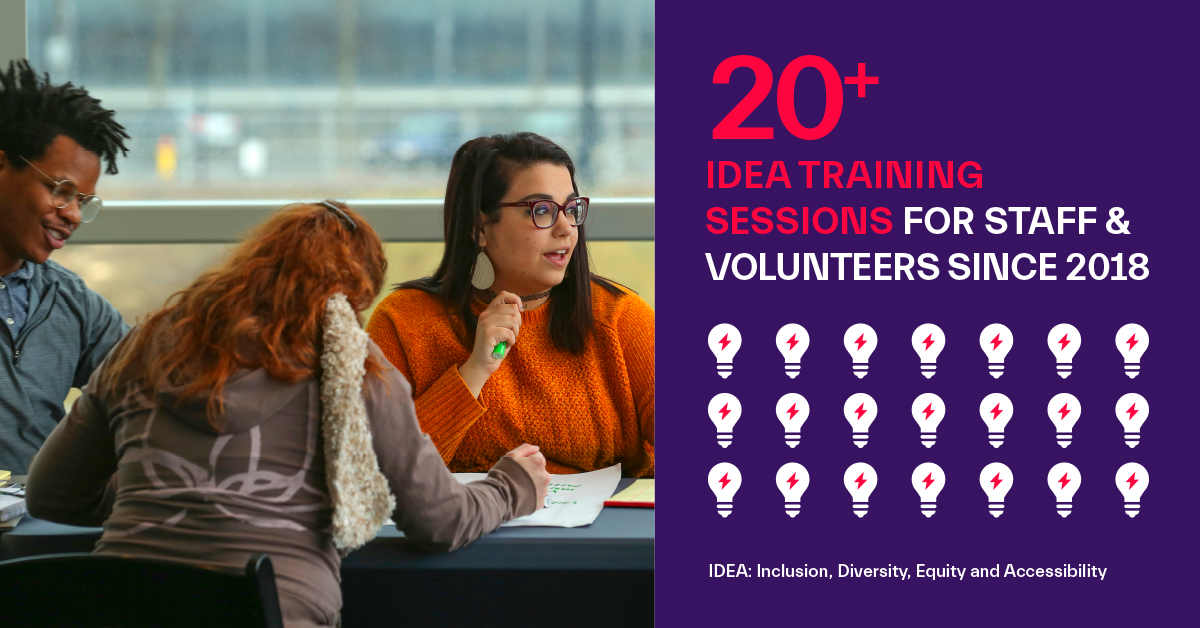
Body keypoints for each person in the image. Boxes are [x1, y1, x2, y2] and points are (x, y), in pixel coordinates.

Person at [25, 202, 550, 628]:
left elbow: (51, 493)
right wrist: (510, 488)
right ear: (354, 297)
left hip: (116, 609)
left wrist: (164, 490)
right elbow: (440, 521)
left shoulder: (146, 344)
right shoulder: (353, 365)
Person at [367, 132, 655, 477]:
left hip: (601, 527)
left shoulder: (620, 317)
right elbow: (371, 470)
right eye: (542, 210)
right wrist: (474, 371)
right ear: (480, 228)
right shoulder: (403, 322)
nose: (566, 228)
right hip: (463, 528)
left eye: (571, 208)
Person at [0, 60, 130, 474]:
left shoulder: (70, 302)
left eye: (83, 202)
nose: (72, 215)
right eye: (60, 190)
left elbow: (157, 382)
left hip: (43, 532)